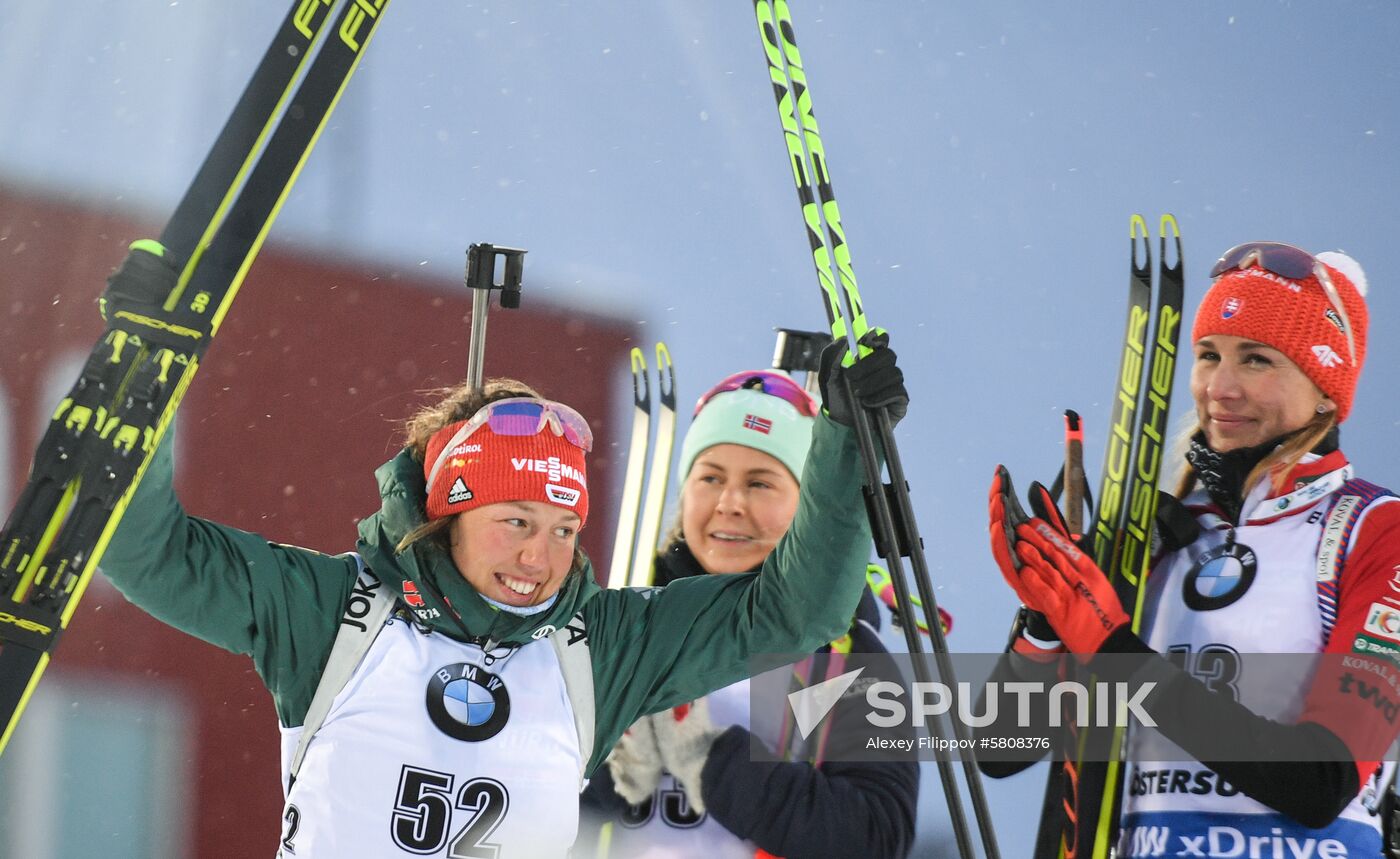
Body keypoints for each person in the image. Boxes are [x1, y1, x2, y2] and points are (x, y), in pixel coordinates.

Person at [94, 243, 909, 858]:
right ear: (449, 512)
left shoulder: (599, 645)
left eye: (562, 528)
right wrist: (144, 369)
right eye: (515, 522)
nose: (541, 557)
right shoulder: (338, 613)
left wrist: (841, 440)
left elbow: (800, 610)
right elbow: (151, 553)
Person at [984, 242, 1400, 856]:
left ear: (1324, 390)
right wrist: (1046, 619)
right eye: (1208, 356)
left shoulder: (1373, 529)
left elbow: (1321, 780)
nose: (1220, 388)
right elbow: (999, 750)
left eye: (1257, 360)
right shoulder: (1162, 534)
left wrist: (1111, 649)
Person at [576, 368, 919, 859]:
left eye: (760, 484)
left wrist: (710, 762)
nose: (730, 503)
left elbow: (875, 838)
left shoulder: (844, 656)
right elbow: (518, 798)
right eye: (710, 477)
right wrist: (607, 767)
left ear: (808, 507)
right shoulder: (623, 626)